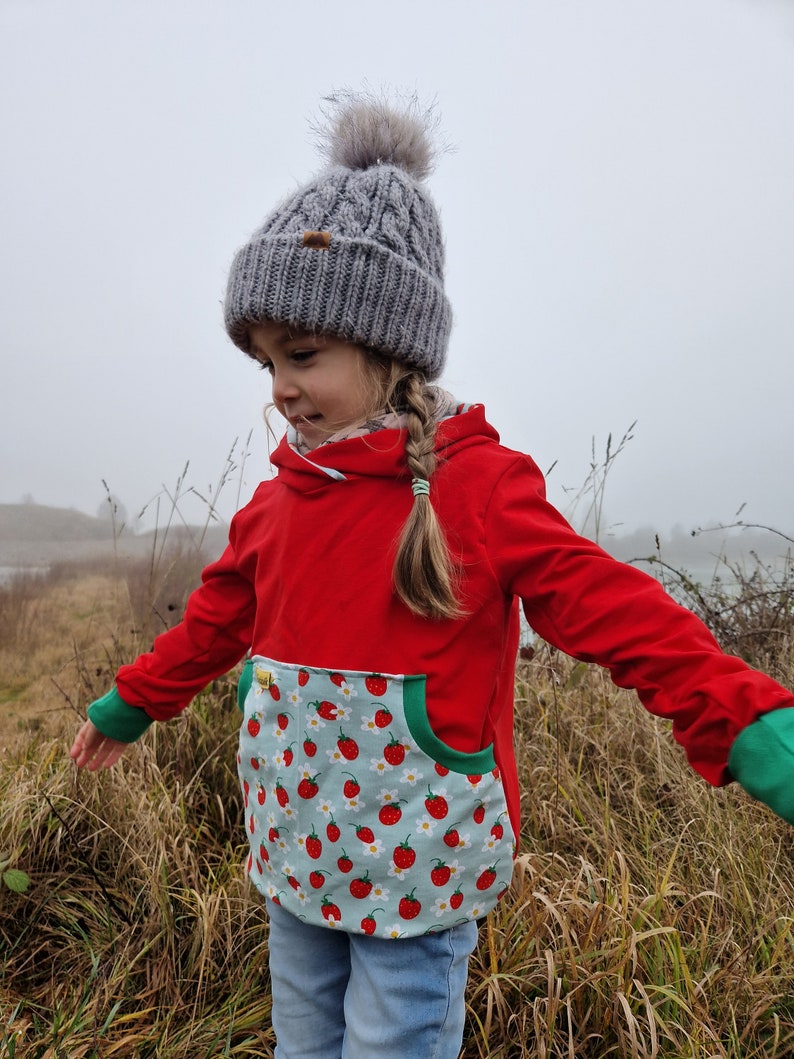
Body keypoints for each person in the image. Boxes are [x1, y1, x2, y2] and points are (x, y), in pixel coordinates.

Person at [70, 91, 794, 1059]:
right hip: (297, 853)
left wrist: (740, 716)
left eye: (302, 354)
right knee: (301, 1045)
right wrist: (129, 703)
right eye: (264, 362)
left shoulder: (477, 491)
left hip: (419, 872)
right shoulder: (277, 503)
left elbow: (612, 608)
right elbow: (209, 626)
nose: (278, 386)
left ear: (388, 345)